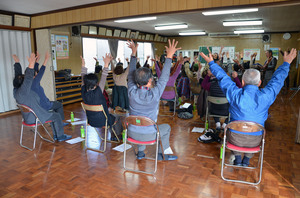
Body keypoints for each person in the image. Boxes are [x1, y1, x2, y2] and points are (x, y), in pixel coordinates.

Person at [199, 48, 297, 166]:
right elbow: (277, 81)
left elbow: (223, 78)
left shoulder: (235, 94)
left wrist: (211, 63)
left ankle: (238, 159)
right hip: (255, 141)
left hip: (234, 139)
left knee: (233, 131)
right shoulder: (266, 96)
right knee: (254, 133)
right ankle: (246, 161)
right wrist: (286, 64)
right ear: (259, 83)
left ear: (243, 82)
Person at [127, 39, 180, 161]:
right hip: (149, 135)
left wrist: (133, 54)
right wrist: (169, 57)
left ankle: (141, 152)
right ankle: (163, 154)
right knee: (166, 127)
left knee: (139, 122)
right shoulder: (154, 94)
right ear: (150, 81)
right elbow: (165, 76)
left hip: (132, 133)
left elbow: (130, 74)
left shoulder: (131, 92)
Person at [13, 53, 71, 142]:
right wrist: (31, 64)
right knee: (56, 116)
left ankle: (56, 135)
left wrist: (17, 63)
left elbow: (18, 77)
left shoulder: (16, 91)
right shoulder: (24, 91)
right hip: (35, 117)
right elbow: (28, 77)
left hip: (28, 117)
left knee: (53, 114)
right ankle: (60, 136)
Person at [81, 54, 123, 140]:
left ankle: (114, 135)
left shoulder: (83, 91)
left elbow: (83, 79)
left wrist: (83, 65)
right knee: (117, 117)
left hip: (91, 121)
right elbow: (103, 76)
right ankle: (116, 136)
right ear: (96, 84)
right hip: (103, 121)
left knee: (110, 115)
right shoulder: (98, 91)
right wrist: (106, 64)